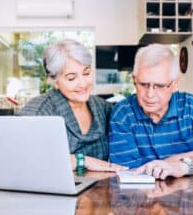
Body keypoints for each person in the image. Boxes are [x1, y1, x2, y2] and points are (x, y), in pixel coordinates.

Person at [109, 44, 193, 179]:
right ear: (134, 79)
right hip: (142, 198)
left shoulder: (191, 107)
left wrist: (181, 167)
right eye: (144, 84)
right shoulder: (122, 114)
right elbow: (132, 174)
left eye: (159, 86)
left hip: (189, 198)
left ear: (175, 84)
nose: (150, 94)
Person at [19, 39, 125, 172]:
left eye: (86, 73)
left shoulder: (103, 108)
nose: (83, 83)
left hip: (98, 190)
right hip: (53, 191)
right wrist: (83, 161)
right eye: (71, 78)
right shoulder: (38, 111)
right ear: (55, 81)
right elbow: (22, 159)